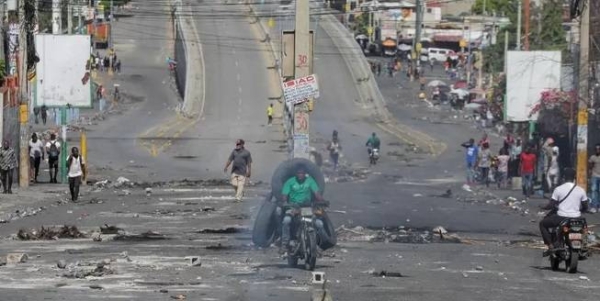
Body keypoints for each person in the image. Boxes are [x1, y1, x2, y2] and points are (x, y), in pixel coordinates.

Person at [539, 168, 588, 256]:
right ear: (574, 178)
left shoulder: (558, 189)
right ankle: (582, 245)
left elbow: (552, 205)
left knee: (542, 224)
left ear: (563, 178)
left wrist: (543, 207)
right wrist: (579, 211)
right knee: (583, 229)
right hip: (576, 218)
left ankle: (550, 246)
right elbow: (585, 206)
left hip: (561, 218)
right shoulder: (581, 190)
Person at [280, 167, 325, 253]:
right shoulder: (290, 182)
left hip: (306, 207)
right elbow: (284, 195)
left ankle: (319, 244)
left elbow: (316, 193)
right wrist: (285, 202)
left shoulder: (310, 181)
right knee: (286, 220)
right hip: (293, 207)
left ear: (305, 174)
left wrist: (322, 201)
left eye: (302, 173)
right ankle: (284, 244)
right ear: (296, 174)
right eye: (298, 173)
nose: (300, 175)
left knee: (319, 224)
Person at [588, 144, 600, 213]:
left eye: (599, 149)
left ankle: (599, 206)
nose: (597, 150)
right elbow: (590, 167)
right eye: (596, 149)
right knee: (594, 191)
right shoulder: (592, 157)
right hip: (594, 176)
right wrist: (589, 176)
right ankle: (593, 206)